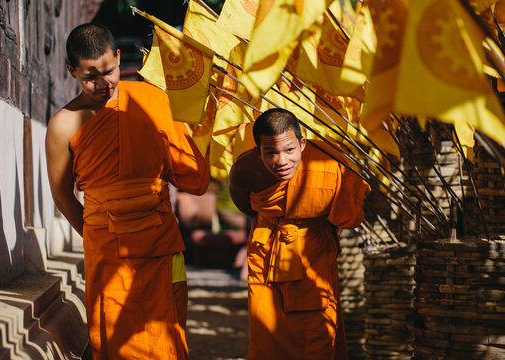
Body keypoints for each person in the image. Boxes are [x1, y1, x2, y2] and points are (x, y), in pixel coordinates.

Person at [45, 23, 209, 359]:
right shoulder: (63, 124)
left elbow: (193, 177)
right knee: (117, 335)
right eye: (89, 77)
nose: (102, 83)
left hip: (161, 242)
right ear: (71, 71)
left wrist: (198, 125)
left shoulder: (153, 101)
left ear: (119, 58)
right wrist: (97, 229)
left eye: (109, 71)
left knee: (166, 334)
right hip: (107, 250)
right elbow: (62, 195)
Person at [229, 108, 370, 359]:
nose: (282, 161)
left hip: (313, 259)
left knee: (316, 336)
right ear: (257, 150)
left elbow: (349, 214)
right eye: (270, 152)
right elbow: (244, 203)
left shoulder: (329, 161)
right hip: (266, 259)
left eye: (289, 150)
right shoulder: (245, 168)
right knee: (266, 335)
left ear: (302, 144)